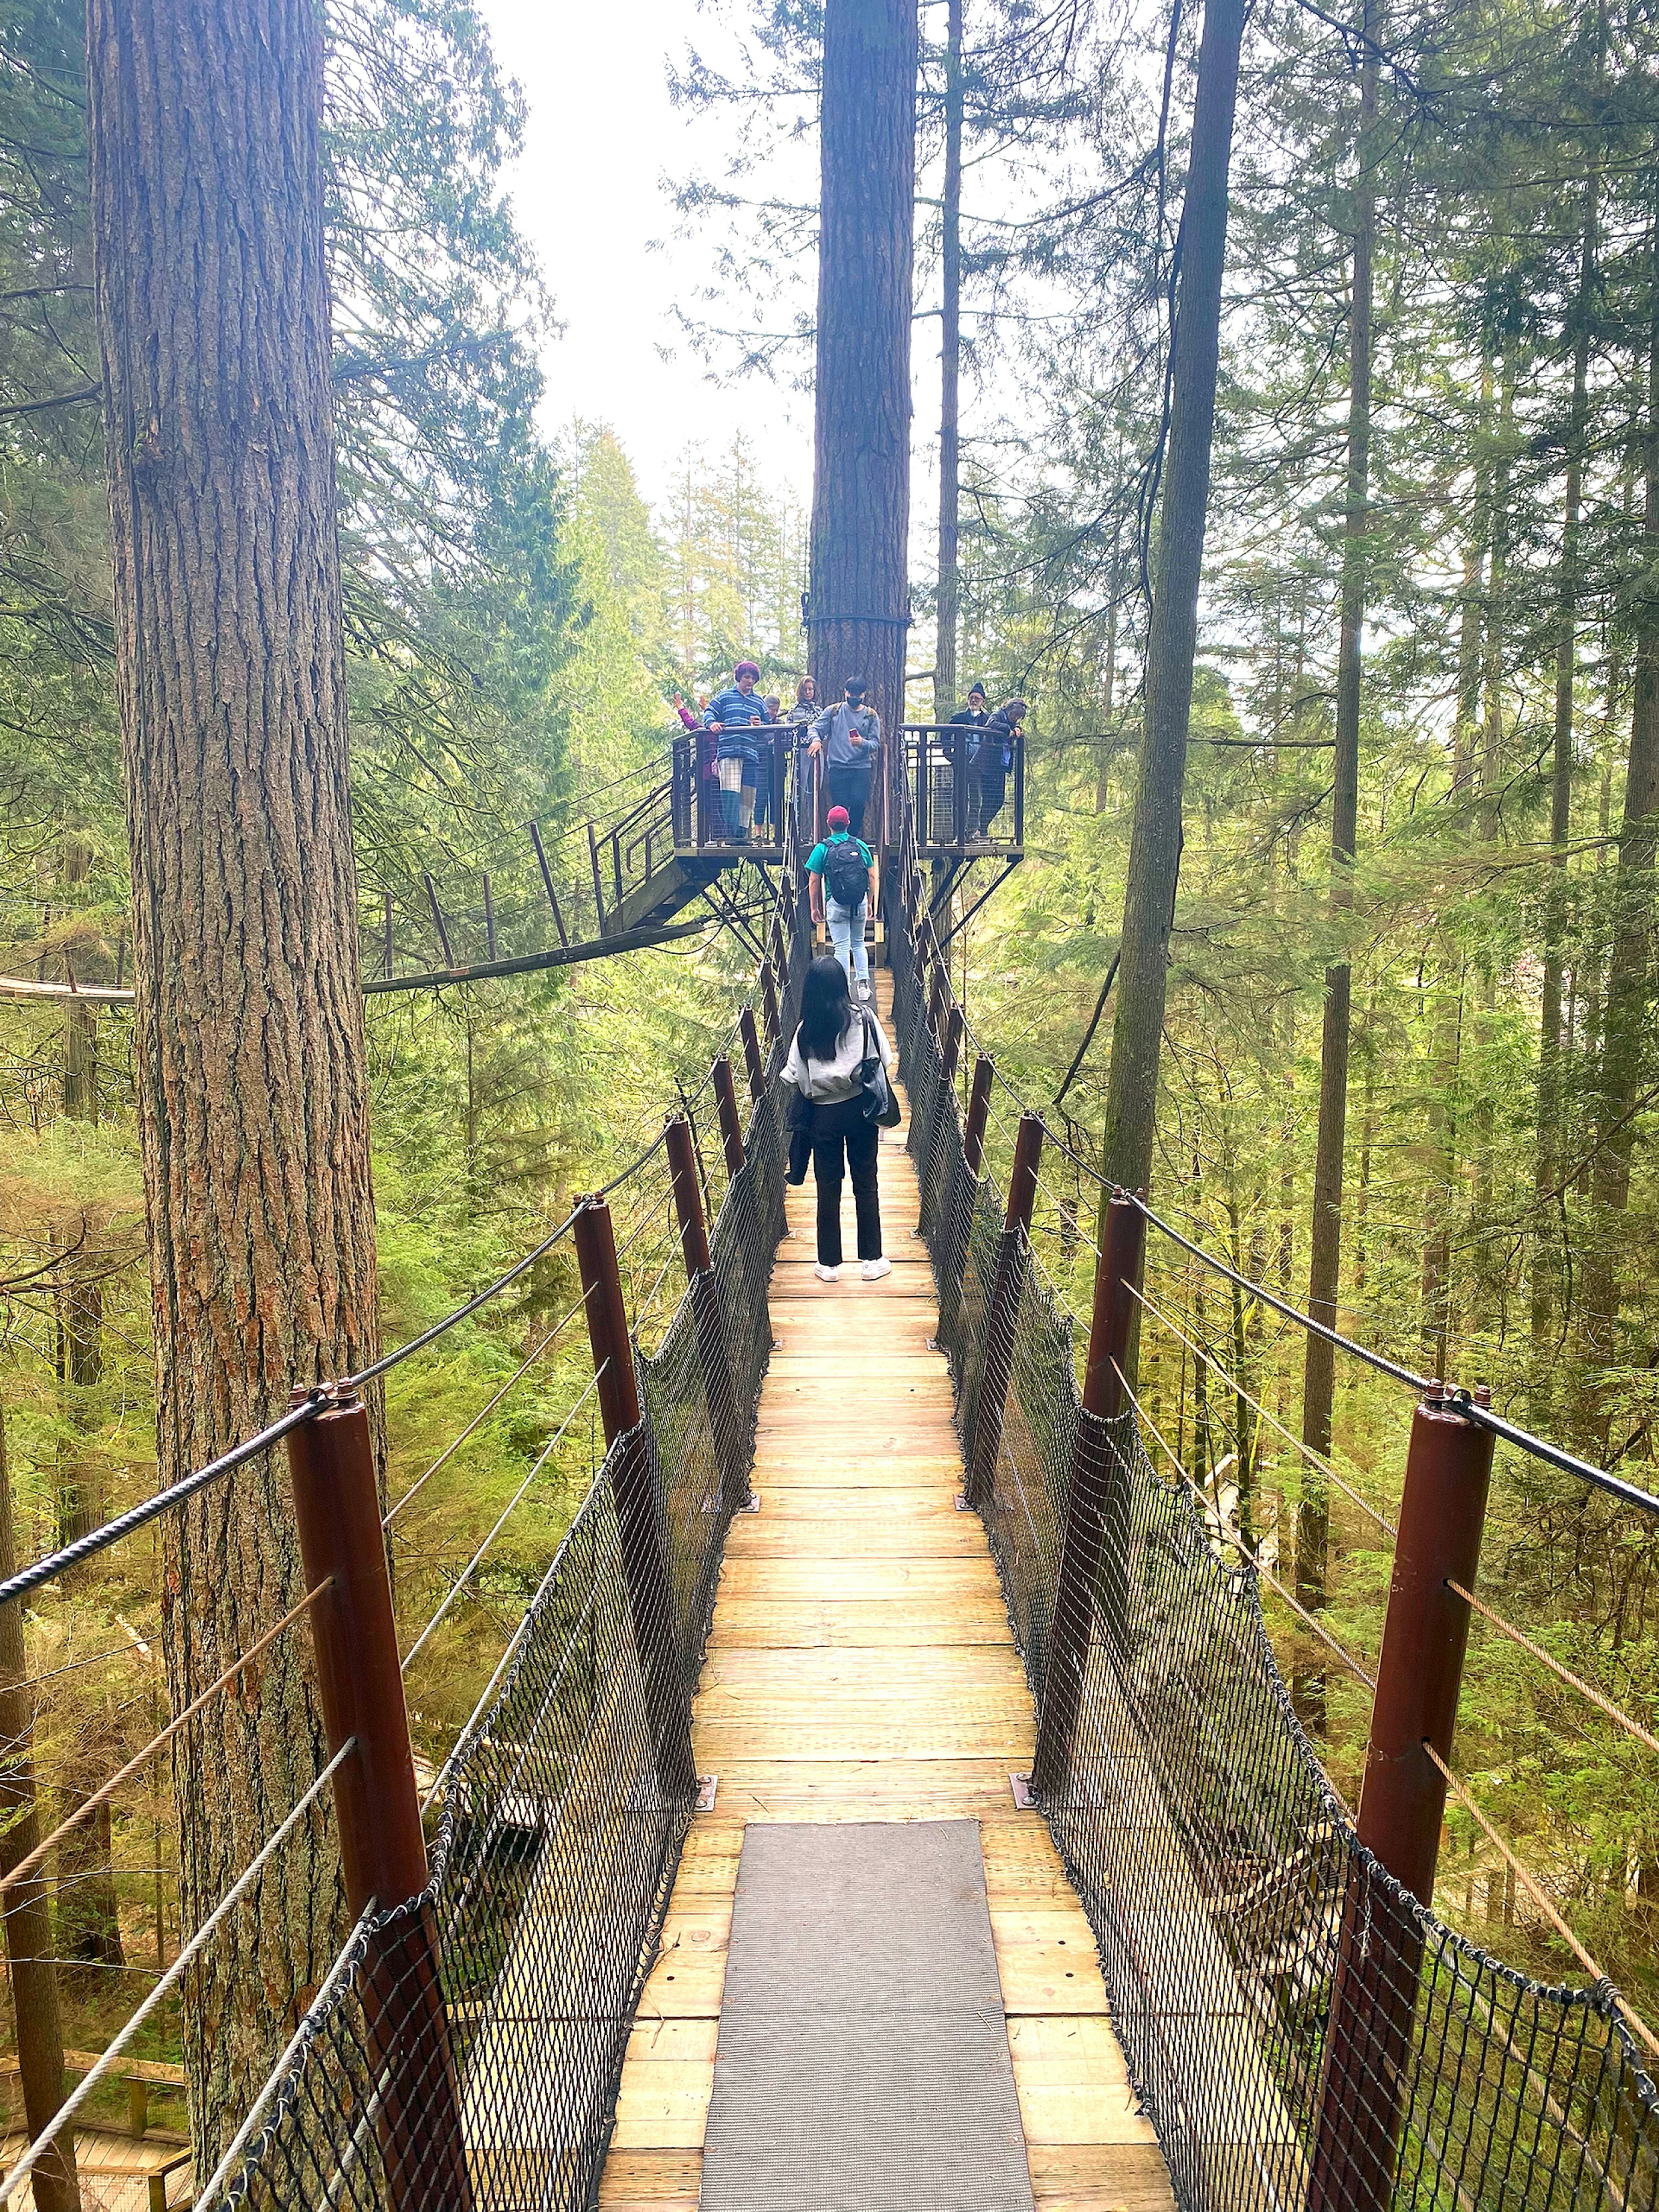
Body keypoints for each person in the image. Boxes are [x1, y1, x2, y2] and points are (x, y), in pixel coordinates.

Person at [782, 954, 895, 1283]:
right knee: (866, 1181)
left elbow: (794, 1077)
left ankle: (829, 1265)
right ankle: (872, 1261)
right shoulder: (864, 1017)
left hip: (823, 1116)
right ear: (842, 985)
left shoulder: (805, 1029)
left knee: (828, 1186)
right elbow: (884, 1060)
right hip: (861, 1110)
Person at [807, 803, 877, 1001]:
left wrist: (815, 907)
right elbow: (872, 876)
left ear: (829, 825)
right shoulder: (860, 846)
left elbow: (814, 880)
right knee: (859, 943)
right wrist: (870, 901)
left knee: (842, 947)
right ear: (848, 824)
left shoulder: (822, 848)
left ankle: (844, 989)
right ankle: (863, 986)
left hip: (836, 904)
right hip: (859, 902)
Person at [807, 676, 881, 840]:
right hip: (837, 767)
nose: (853, 698)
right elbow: (815, 728)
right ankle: (840, 839)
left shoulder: (871, 715)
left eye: (857, 695)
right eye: (850, 693)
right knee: (840, 807)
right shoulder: (834, 711)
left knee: (858, 803)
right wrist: (817, 740)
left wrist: (863, 743)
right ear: (845, 692)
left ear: (864, 694)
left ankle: (853, 838)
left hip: (861, 768)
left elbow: (876, 743)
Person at [704, 661, 771, 841]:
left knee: (748, 797)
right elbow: (709, 712)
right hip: (729, 752)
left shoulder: (759, 702)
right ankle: (731, 835)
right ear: (739, 677)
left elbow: (769, 729)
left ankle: (742, 835)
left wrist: (761, 726)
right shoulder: (725, 697)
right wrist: (712, 724)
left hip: (751, 755)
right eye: (747, 677)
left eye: (753, 679)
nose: (750, 681)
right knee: (730, 795)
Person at [969, 696, 1026, 839]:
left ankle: (981, 829)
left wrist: (1017, 728)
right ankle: (980, 831)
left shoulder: (1012, 723)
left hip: (1000, 767)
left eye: (1018, 717)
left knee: (998, 801)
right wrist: (1009, 731)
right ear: (1009, 710)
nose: (1015, 719)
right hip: (986, 766)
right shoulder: (998, 716)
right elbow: (991, 723)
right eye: (1014, 715)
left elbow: (1015, 728)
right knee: (986, 799)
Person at [943, 683, 988, 839]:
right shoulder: (959, 718)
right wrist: (950, 755)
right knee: (958, 799)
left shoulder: (987, 720)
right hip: (961, 763)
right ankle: (958, 833)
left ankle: (970, 833)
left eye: (977, 698)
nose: (974, 701)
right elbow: (945, 735)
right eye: (972, 698)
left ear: (983, 702)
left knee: (976, 800)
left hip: (978, 765)